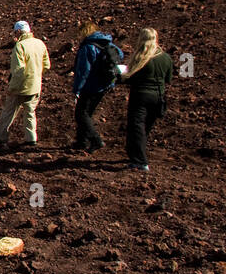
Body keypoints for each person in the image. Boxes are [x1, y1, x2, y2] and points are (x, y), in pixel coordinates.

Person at [0, 20, 51, 146]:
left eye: (15, 32)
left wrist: (12, 87)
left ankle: (1, 136)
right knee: (30, 112)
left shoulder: (20, 46)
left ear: (18, 31)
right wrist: (36, 74)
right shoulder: (40, 43)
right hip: (35, 85)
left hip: (21, 86)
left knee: (9, 111)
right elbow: (46, 65)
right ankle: (31, 139)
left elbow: (18, 71)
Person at [122, 27, 172, 172]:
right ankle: (136, 153)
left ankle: (140, 161)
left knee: (136, 127)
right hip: (158, 96)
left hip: (140, 95)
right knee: (146, 127)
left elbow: (129, 77)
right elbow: (168, 79)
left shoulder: (141, 57)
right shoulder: (165, 58)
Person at [71, 21, 122, 151]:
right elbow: (120, 54)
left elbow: (83, 71)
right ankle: (82, 141)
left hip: (91, 85)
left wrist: (77, 88)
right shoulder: (106, 43)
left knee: (81, 113)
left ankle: (96, 140)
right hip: (104, 84)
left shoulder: (87, 47)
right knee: (87, 113)